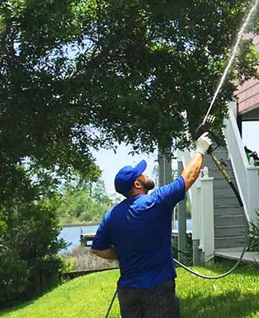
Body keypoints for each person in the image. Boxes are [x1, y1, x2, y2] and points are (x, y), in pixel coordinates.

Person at [90, 133, 213, 318]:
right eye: (142, 173)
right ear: (138, 183)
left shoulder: (111, 216)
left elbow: (97, 249)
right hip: (158, 289)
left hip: (128, 291)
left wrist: (119, 255)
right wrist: (200, 150)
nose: (146, 174)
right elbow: (188, 177)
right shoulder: (156, 202)